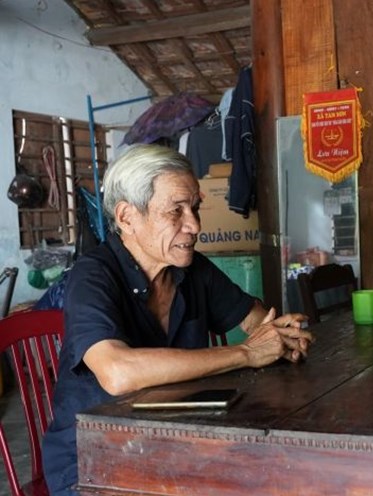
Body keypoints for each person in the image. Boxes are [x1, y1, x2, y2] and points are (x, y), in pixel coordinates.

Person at [42, 144, 313, 495]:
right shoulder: (93, 276)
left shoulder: (193, 270)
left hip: (174, 443)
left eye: (195, 208)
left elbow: (260, 322)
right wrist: (246, 353)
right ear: (126, 217)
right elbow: (117, 372)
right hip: (95, 463)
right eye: (176, 211)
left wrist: (283, 339)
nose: (195, 225)